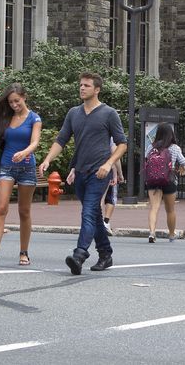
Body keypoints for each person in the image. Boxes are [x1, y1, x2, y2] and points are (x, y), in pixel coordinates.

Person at [39, 72, 127, 275]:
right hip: (80, 173)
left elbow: (122, 144)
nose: (82, 88)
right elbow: (61, 140)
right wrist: (47, 160)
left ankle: (79, 255)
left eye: (86, 85)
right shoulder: (74, 113)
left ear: (97, 89)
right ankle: (105, 254)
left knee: (88, 212)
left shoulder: (109, 113)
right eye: (81, 85)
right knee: (94, 216)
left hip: (99, 173)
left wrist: (108, 164)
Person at [0, 84, 42, 266]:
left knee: (24, 211)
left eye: (17, 101)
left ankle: (24, 252)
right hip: (7, 167)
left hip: (27, 167)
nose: (14, 105)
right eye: (11, 102)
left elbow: (35, 142)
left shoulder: (34, 118)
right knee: (1, 208)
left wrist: (25, 152)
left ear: (24, 97)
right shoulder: (6, 118)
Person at [145, 123, 185, 243]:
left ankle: (152, 233)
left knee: (154, 207)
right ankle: (171, 234)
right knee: (170, 209)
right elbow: (183, 161)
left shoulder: (151, 147)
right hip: (169, 180)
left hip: (153, 180)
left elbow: (146, 160)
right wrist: (182, 167)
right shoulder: (174, 148)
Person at [101, 143, 123, 236]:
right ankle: (105, 222)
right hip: (106, 169)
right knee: (110, 197)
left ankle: (90, 222)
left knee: (93, 198)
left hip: (88, 169)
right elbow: (115, 155)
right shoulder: (109, 137)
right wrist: (119, 174)